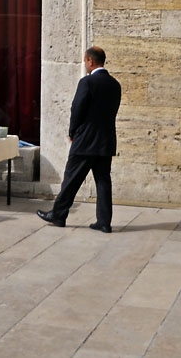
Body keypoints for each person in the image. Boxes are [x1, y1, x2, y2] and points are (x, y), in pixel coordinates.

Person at [37, 46, 122, 233]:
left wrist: (73, 131)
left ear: (90, 61)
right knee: (103, 181)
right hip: (105, 141)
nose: (85, 64)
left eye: (85, 61)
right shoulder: (115, 84)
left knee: (71, 178)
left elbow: (77, 108)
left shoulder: (87, 82)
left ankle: (58, 214)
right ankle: (104, 222)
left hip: (85, 141)